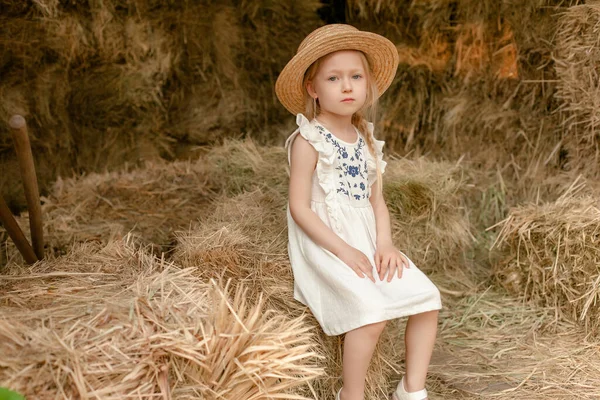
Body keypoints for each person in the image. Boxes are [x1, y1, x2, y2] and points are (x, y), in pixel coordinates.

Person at [275, 24, 442, 400]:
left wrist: (385, 244)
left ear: (367, 85)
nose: (347, 86)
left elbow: (376, 202)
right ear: (313, 89)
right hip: (327, 242)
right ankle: (351, 395)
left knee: (428, 299)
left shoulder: (364, 137)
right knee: (372, 314)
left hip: (366, 238)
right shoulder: (308, 140)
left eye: (356, 77)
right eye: (334, 78)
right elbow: (299, 208)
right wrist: (343, 250)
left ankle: (411, 389)